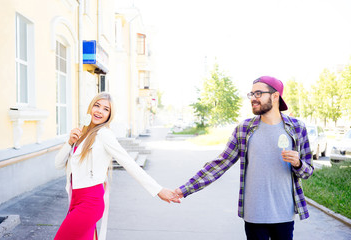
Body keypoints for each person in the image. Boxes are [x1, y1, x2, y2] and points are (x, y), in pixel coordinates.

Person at [175, 76, 314, 240]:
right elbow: (220, 164)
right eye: (252, 94)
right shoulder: (244, 129)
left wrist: (298, 163)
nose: (253, 99)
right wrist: (184, 190)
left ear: (275, 96)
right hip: (254, 214)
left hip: (284, 214)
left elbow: (308, 172)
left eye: (259, 93)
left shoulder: (297, 128)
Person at [54, 92, 180, 240]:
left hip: (89, 203)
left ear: (109, 115)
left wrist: (158, 190)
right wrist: (69, 142)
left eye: (106, 109)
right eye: (97, 105)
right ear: (91, 107)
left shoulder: (104, 134)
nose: (100, 111)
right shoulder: (82, 134)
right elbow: (58, 164)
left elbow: (128, 162)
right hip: (76, 200)